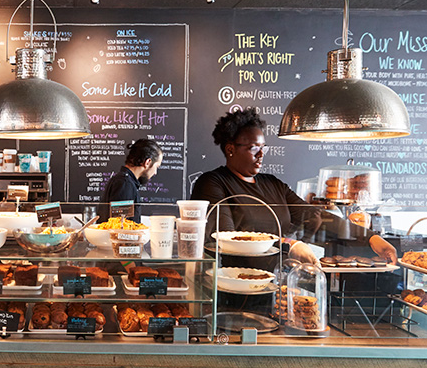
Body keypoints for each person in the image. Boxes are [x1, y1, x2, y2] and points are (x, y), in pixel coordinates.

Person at [191, 109, 396, 265]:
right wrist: (289, 245)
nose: (261, 154)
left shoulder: (272, 184)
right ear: (230, 149)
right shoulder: (212, 183)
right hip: (229, 290)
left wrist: (370, 238)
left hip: (273, 287)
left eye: (264, 148)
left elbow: (314, 216)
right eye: (254, 148)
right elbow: (228, 239)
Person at [97, 138, 163, 223]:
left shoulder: (124, 181)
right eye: (156, 167)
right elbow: (120, 226)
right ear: (148, 162)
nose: (155, 173)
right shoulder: (125, 184)